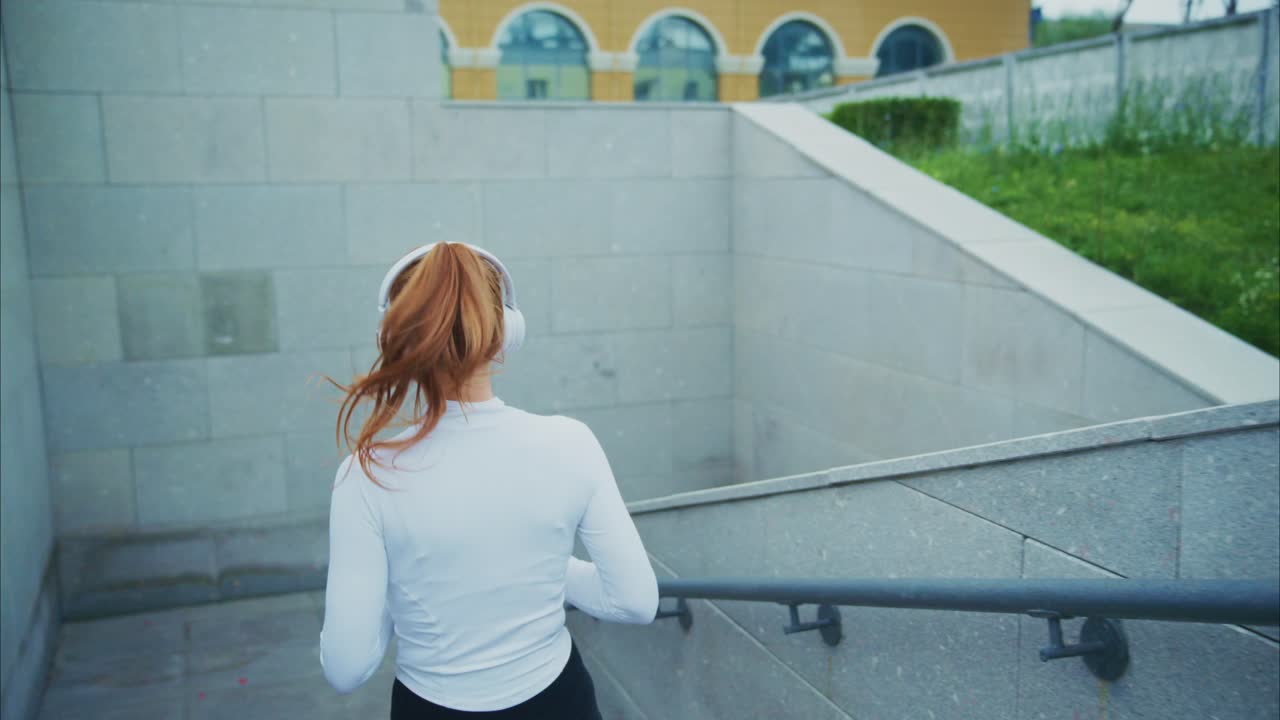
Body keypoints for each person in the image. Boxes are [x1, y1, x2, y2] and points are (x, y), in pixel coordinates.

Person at [319, 242, 659, 718]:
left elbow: (346, 667)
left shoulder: (365, 474)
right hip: (561, 702)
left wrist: (409, 591)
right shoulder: (570, 443)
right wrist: (542, 565)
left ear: (391, 338)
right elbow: (636, 602)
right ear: (506, 332)